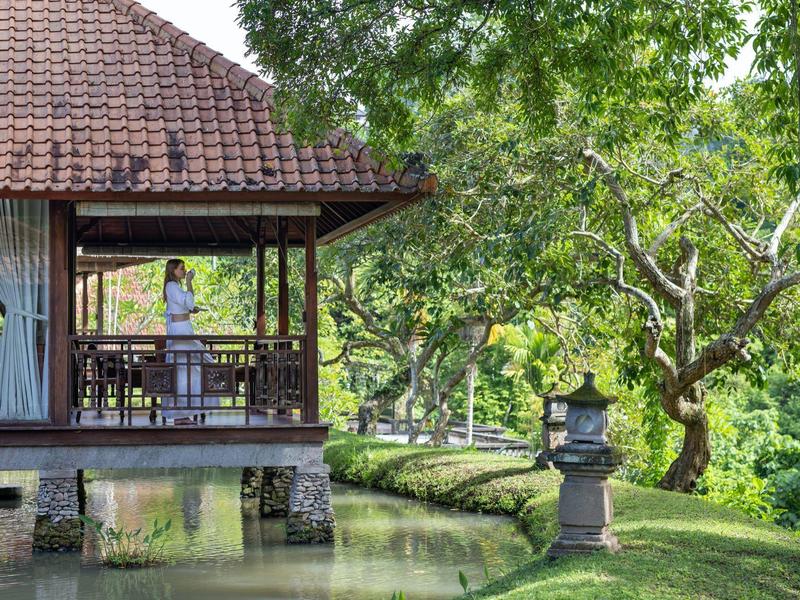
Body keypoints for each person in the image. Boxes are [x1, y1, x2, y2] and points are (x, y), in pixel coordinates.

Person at [162, 259, 219, 425]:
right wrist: (189, 282)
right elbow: (189, 301)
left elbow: (186, 304)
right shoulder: (171, 286)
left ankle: (187, 412)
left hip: (184, 328)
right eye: (181, 268)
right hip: (180, 332)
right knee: (184, 369)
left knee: (192, 370)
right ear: (173, 270)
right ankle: (179, 414)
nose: (184, 270)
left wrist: (190, 309)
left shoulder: (174, 287)